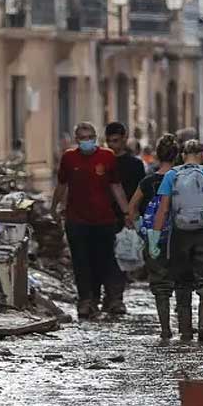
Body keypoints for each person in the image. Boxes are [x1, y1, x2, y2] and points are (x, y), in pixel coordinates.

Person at [149, 139, 203, 343]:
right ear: (202, 155)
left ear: (182, 155)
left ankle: (186, 331)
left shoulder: (171, 175)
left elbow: (163, 210)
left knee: (182, 283)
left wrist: (154, 238)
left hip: (179, 235)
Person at [54, 122, 131, 319]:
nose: (86, 141)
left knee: (103, 261)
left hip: (104, 220)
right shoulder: (69, 158)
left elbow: (116, 186)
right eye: (82, 138)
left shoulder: (107, 157)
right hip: (77, 219)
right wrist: (55, 207)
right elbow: (62, 184)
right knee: (81, 262)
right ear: (76, 139)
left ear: (95, 138)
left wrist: (127, 212)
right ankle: (86, 300)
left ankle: (106, 298)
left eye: (89, 137)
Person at [126, 134, 181, 343]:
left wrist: (140, 228)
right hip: (181, 236)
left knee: (160, 285)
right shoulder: (182, 178)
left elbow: (132, 208)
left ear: (157, 155)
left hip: (154, 238)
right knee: (183, 282)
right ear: (177, 155)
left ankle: (165, 328)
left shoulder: (148, 181)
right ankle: (187, 328)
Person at [105, 122, 146, 203]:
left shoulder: (135, 164)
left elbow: (141, 191)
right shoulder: (104, 162)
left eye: (115, 140)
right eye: (108, 141)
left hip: (129, 206)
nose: (111, 144)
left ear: (124, 138)